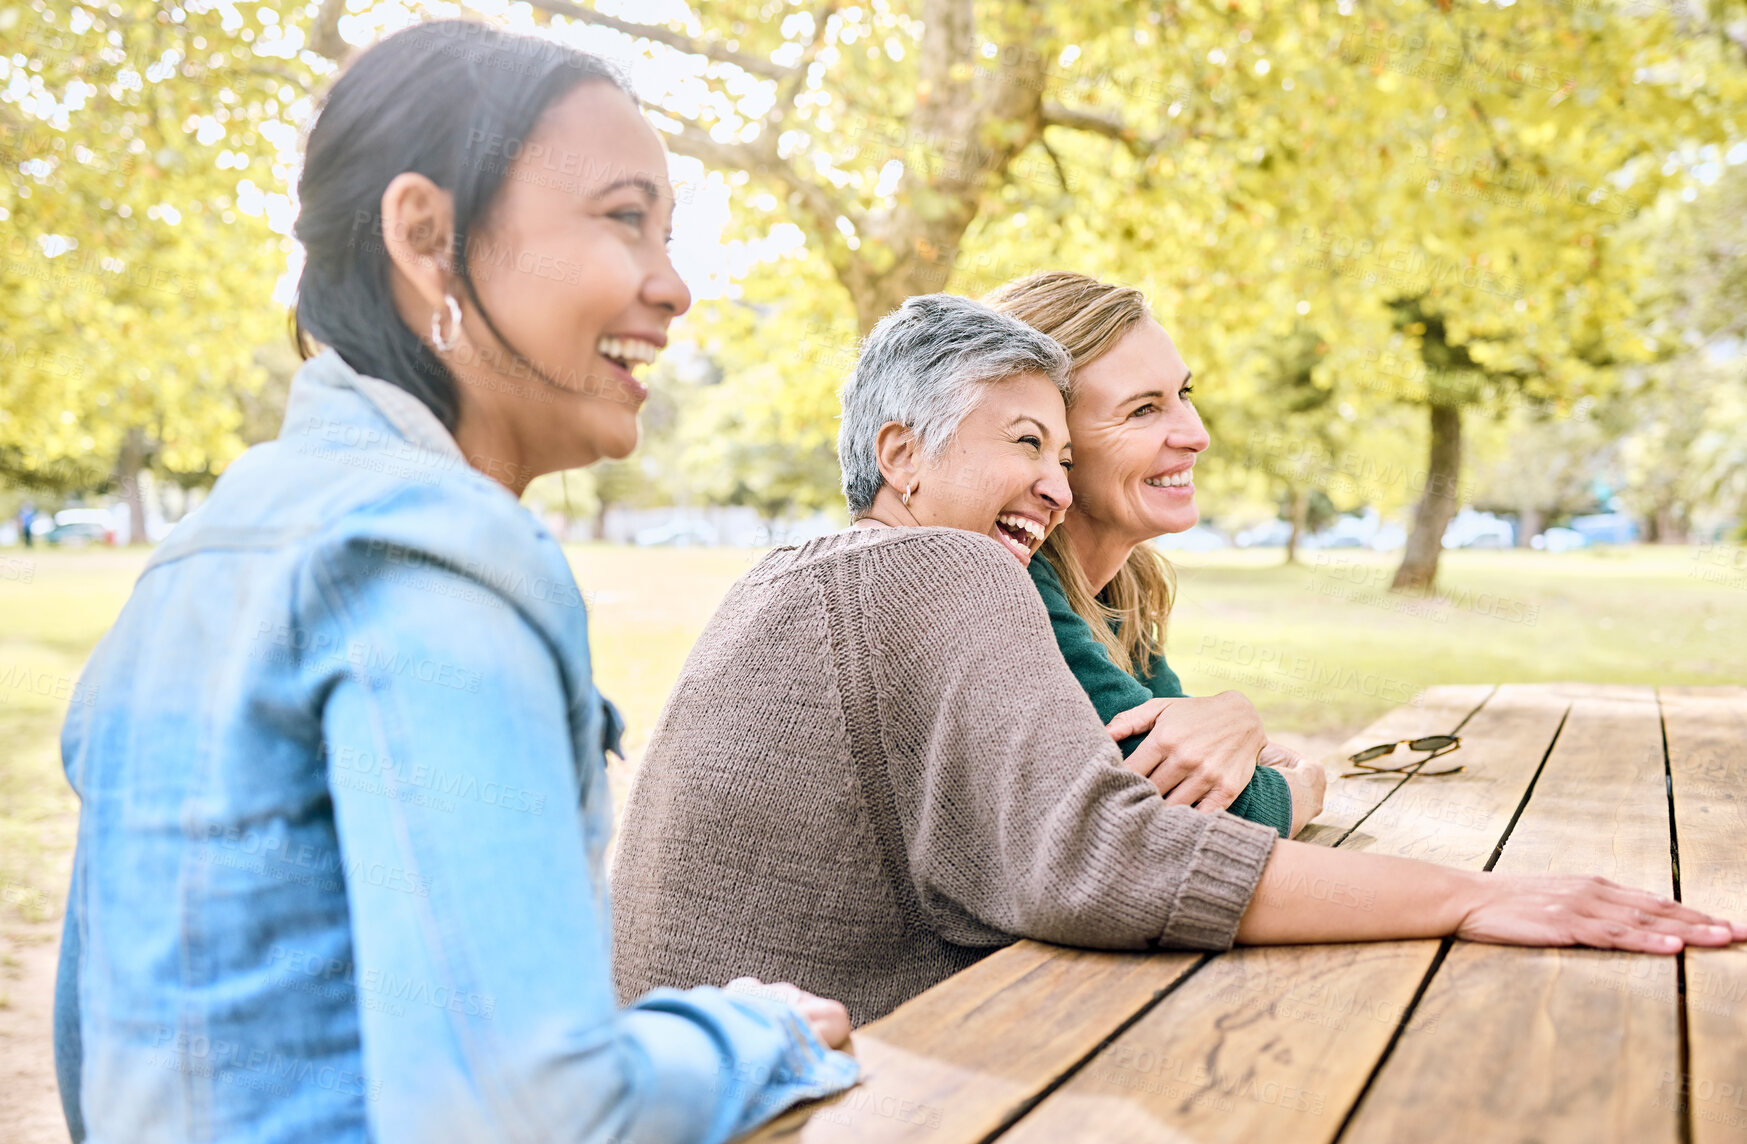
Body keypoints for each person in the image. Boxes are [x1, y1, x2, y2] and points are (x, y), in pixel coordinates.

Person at [53, 21, 853, 1144]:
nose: (673, 287)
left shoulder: (194, 561)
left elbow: (96, 1074)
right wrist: (750, 1034)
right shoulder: (436, 552)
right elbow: (526, 1110)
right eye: (626, 219)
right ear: (428, 237)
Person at [610, 293, 1744, 1028]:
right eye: (1023, 446)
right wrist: (1475, 895)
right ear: (899, 456)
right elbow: (1111, 853)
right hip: (817, 1094)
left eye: (1060, 452)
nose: (1052, 489)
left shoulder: (806, 572)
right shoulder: (940, 571)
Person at [983, 271, 1326, 836]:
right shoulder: (1011, 585)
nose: (1196, 434)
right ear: (1049, 442)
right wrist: (1302, 788)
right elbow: (1195, 813)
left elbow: (1199, 757)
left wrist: (1233, 718)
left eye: (1183, 395)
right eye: (1143, 409)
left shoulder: (1127, 583)